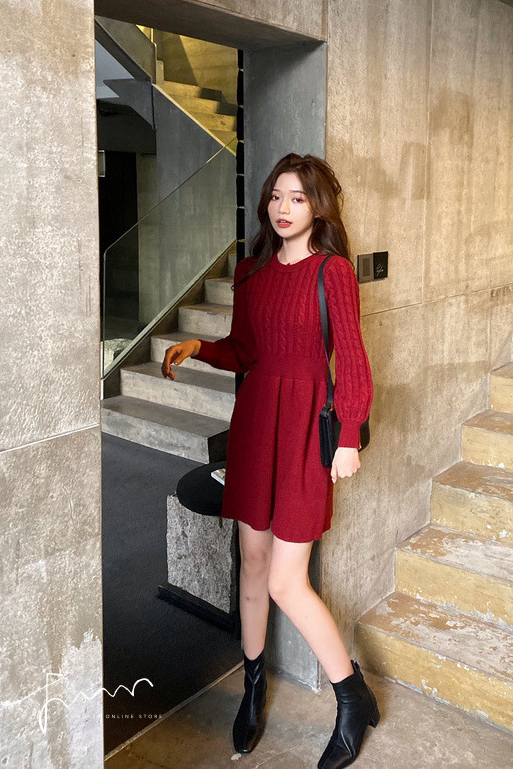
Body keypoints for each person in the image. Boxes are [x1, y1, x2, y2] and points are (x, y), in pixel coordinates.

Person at [161, 153, 379, 768]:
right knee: (252, 562)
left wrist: (347, 435)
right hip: (257, 423)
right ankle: (253, 684)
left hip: (306, 427)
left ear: (318, 207)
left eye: (298, 198)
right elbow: (245, 350)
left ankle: (351, 696)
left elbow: (352, 358)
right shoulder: (251, 271)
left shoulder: (332, 271)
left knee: (287, 580)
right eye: (276, 197)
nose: (284, 209)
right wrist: (200, 347)